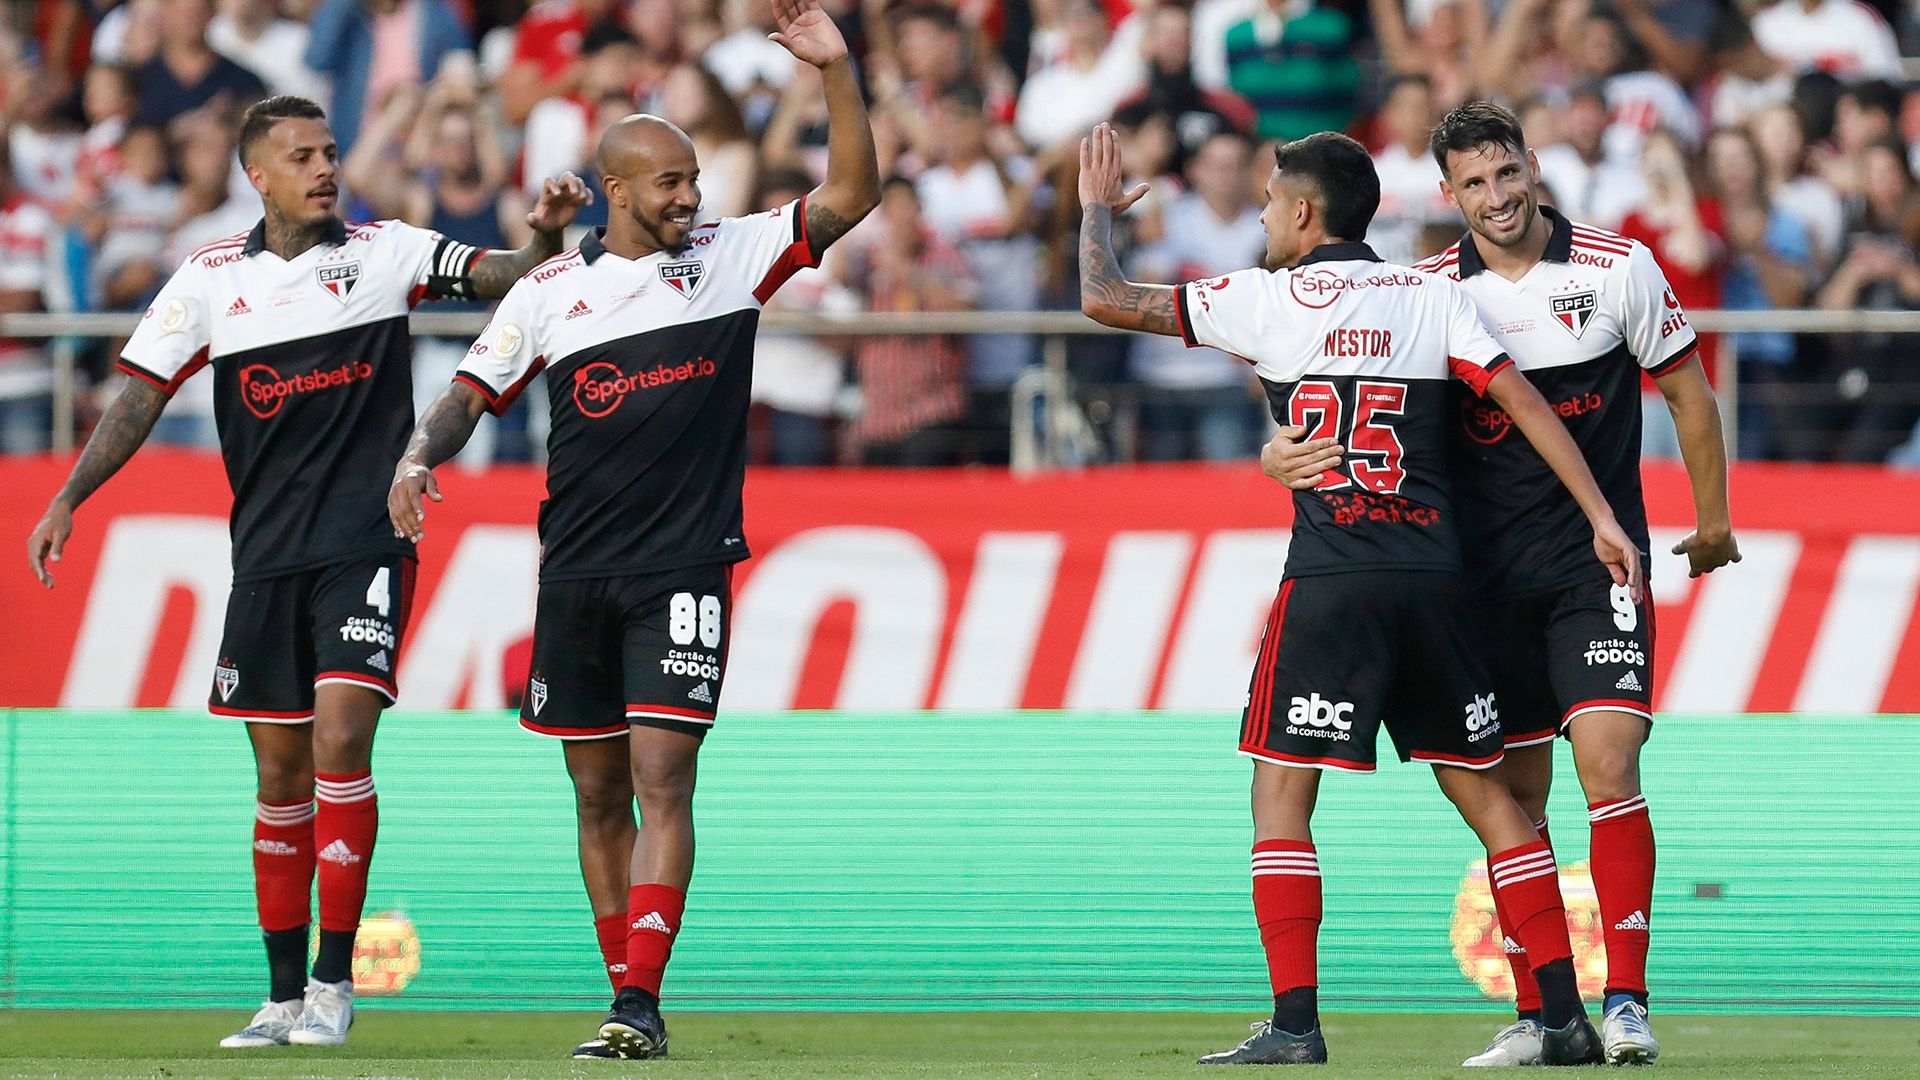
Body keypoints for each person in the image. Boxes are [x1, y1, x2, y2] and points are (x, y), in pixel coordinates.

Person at [25, 94, 590, 1050]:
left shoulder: (387, 251)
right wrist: (71, 496)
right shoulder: (207, 281)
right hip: (266, 560)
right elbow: (138, 398)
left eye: (331, 151)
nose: (325, 168)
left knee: (339, 740)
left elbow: (504, 275)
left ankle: (336, 981)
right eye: (303, 156)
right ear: (259, 173)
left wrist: (541, 234)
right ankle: (282, 996)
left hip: (364, 545)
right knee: (279, 774)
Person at [1077, 121, 1638, 1066]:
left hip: (1333, 578)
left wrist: (1095, 212)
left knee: (1280, 801)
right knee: (1496, 805)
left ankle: (1295, 1026)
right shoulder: (1430, 293)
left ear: (1302, 212)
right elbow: (1522, 403)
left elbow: (1104, 298)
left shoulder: (1259, 299)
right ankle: (1565, 1015)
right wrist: (1601, 514)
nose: (1260, 215)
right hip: (1435, 577)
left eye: (1267, 200)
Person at [386, 0, 878, 1059]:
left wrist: (837, 71)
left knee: (663, 776)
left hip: (684, 567)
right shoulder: (552, 292)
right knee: (596, 788)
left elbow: (850, 195)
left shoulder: (735, 256)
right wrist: (422, 455)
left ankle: (641, 998)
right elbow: (472, 393)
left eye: (695, 179)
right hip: (575, 571)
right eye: (671, 182)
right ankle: (624, 993)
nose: (691, 196)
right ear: (616, 190)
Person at [1263, 101, 1741, 1066]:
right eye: (1474, 183)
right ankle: (1543, 1012)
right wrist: (1278, 451)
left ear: (1534, 167)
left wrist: (1712, 518)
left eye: (1508, 174)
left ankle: (1630, 1002)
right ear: (1448, 194)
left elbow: (1687, 390)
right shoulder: (1427, 290)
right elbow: (1348, 397)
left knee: (1609, 762)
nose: (1497, 197)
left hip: (1589, 565)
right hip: (1475, 580)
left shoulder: (1616, 269)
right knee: (1519, 801)